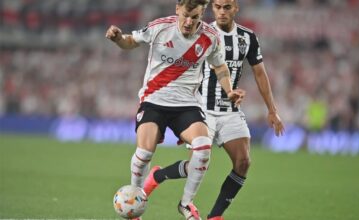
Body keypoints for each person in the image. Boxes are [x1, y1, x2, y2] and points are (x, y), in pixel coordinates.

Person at [143, 0, 285, 219]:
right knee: (198, 165)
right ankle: (158, 176)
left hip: (230, 110)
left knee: (243, 162)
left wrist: (272, 110)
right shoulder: (201, 34)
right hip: (201, 110)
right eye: (217, 7)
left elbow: (259, 73)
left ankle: (215, 215)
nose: (221, 11)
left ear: (235, 8)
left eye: (226, 7)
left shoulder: (248, 38)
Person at [106, 0, 244, 219]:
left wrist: (229, 90)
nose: (189, 22)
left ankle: (186, 204)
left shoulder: (209, 37)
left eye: (196, 17)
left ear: (202, 13)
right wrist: (118, 39)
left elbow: (219, 66)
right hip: (154, 101)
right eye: (186, 15)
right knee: (143, 153)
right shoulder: (160, 27)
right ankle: (135, 202)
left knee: (203, 148)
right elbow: (130, 41)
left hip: (187, 104)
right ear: (178, 9)